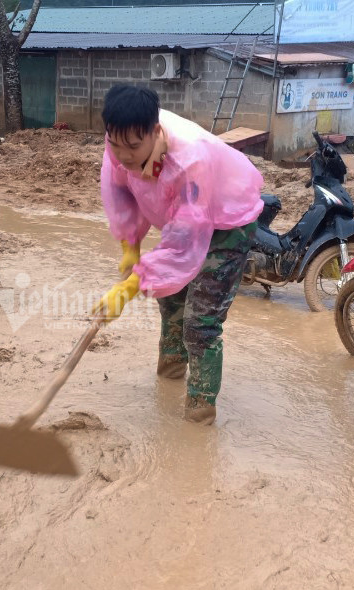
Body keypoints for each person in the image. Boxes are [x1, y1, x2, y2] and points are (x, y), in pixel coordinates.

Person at [92, 85, 263, 425]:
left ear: (155, 132)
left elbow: (184, 243)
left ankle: (200, 411)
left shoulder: (189, 160)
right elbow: (119, 192)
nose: (123, 155)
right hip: (184, 220)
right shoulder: (120, 141)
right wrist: (130, 247)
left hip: (228, 220)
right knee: (170, 297)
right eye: (115, 144)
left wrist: (129, 288)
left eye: (133, 147)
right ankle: (170, 371)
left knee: (201, 321)